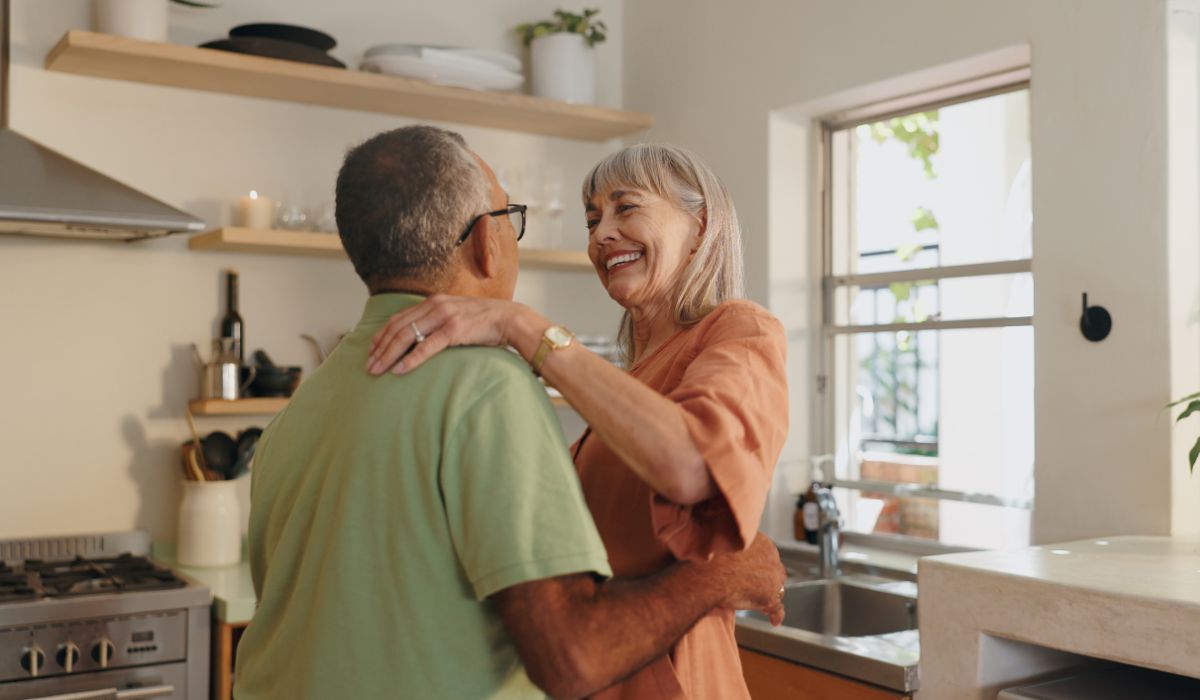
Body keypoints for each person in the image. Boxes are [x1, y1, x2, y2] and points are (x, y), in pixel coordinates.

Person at [232, 126, 787, 700]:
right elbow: (563, 643)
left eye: (626, 207)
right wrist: (724, 573)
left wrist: (520, 325)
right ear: (484, 244)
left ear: (701, 226)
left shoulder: (305, 405)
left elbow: (694, 464)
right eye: (592, 217)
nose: (601, 234)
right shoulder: (500, 387)